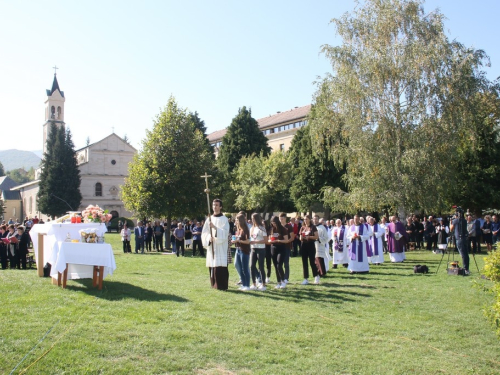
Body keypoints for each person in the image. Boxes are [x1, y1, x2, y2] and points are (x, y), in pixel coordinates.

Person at [202, 199, 230, 290]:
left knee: (220, 266)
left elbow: (225, 233)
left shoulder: (224, 219)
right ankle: (213, 284)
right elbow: (204, 232)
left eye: (217, 205)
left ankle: (222, 285)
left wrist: (215, 228)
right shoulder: (209, 219)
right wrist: (208, 238)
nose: (215, 207)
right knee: (212, 265)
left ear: (221, 207)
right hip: (212, 245)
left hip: (220, 246)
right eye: (214, 205)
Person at [268, 215, 289, 289]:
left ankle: (283, 281)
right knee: (275, 265)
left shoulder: (283, 229)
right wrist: (270, 240)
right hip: (273, 247)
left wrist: (278, 240)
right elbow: (270, 238)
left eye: (274, 223)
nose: (273, 224)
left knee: (279, 265)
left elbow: (286, 240)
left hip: (281, 248)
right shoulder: (272, 229)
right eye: (272, 223)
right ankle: (278, 282)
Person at [249, 213, 268, 291]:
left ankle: (263, 284)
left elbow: (266, 240)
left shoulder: (262, 228)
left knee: (261, 267)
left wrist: (256, 242)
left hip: (261, 249)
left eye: (253, 218)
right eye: (251, 218)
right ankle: (254, 283)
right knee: (252, 266)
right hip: (253, 249)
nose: (252, 220)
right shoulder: (252, 228)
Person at [233, 213, 251, 291]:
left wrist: (238, 240)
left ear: (240, 221)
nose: (235, 221)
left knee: (245, 268)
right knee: (239, 267)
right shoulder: (238, 229)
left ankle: (247, 285)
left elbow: (248, 241)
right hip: (238, 249)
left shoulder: (245, 229)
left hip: (244, 250)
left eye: (237, 220)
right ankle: (244, 284)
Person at [299, 215, 319, 284]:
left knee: (312, 261)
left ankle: (316, 276)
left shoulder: (313, 227)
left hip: (310, 245)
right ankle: (305, 278)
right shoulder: (302, 227)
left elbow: (316, 236)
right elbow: (300, 237)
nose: (305, 220)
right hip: (304, 245)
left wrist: (309, 237)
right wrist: (302, 237)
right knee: (304, 262)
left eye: (306, 219)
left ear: (309, 220)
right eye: (304, 219)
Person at [450, 208, 469, 275]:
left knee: (463, 254)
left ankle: (465, 269)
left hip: (459, 239)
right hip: (464, 238)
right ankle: (467, 268)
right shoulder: (464, 220)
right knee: (466, 254)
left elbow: (451, 229)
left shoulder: (455, 220)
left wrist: (451, 222)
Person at [313, 215, 329, 281]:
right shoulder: (311, 227)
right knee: (314, 260)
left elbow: (326, 238)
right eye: (314, 219)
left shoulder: (322, 227)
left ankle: (321, 272)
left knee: (319, 259)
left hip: (319, 245)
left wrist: (319, 239)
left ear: (318, 220)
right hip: (312, 245)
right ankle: (316, 272)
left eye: (316, 219)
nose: (315, 220)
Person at [279, 213, 294, 285]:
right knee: (279, 263)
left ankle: (286, 278)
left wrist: (287, 241)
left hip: (286, 247)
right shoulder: (278, 227)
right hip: (279, 247)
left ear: (285, 218)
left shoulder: (289, 226)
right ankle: (281, 277)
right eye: (280, 219)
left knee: (286, 263)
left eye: (282, 218)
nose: (280, 220)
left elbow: (292, 237)